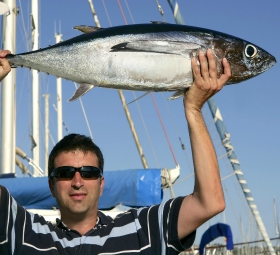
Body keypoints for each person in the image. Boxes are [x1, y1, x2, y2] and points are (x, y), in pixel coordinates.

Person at [0, 48, 231, 254]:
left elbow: (209, 202)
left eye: (88, 172)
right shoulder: (25, 233)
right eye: (65, 173)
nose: (77, 181)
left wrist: (193, 109)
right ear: (51, 184)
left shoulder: (142, 230)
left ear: (101, 183)